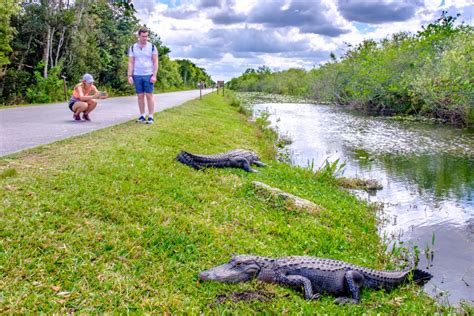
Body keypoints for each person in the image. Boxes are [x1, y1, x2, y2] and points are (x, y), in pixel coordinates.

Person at [127, 26, 159, 124]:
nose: (145, 38)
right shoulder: (133, 47)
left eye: (146, 36)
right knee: (140, 96)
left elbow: (155, 62)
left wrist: (154, 75)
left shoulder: (152, 47)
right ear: (139, 36)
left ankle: (151, 116)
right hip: (137, 74)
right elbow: (131, 62)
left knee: (149, 95)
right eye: (143, 36)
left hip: (148, 74)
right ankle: (142, 115)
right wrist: (129, 75)